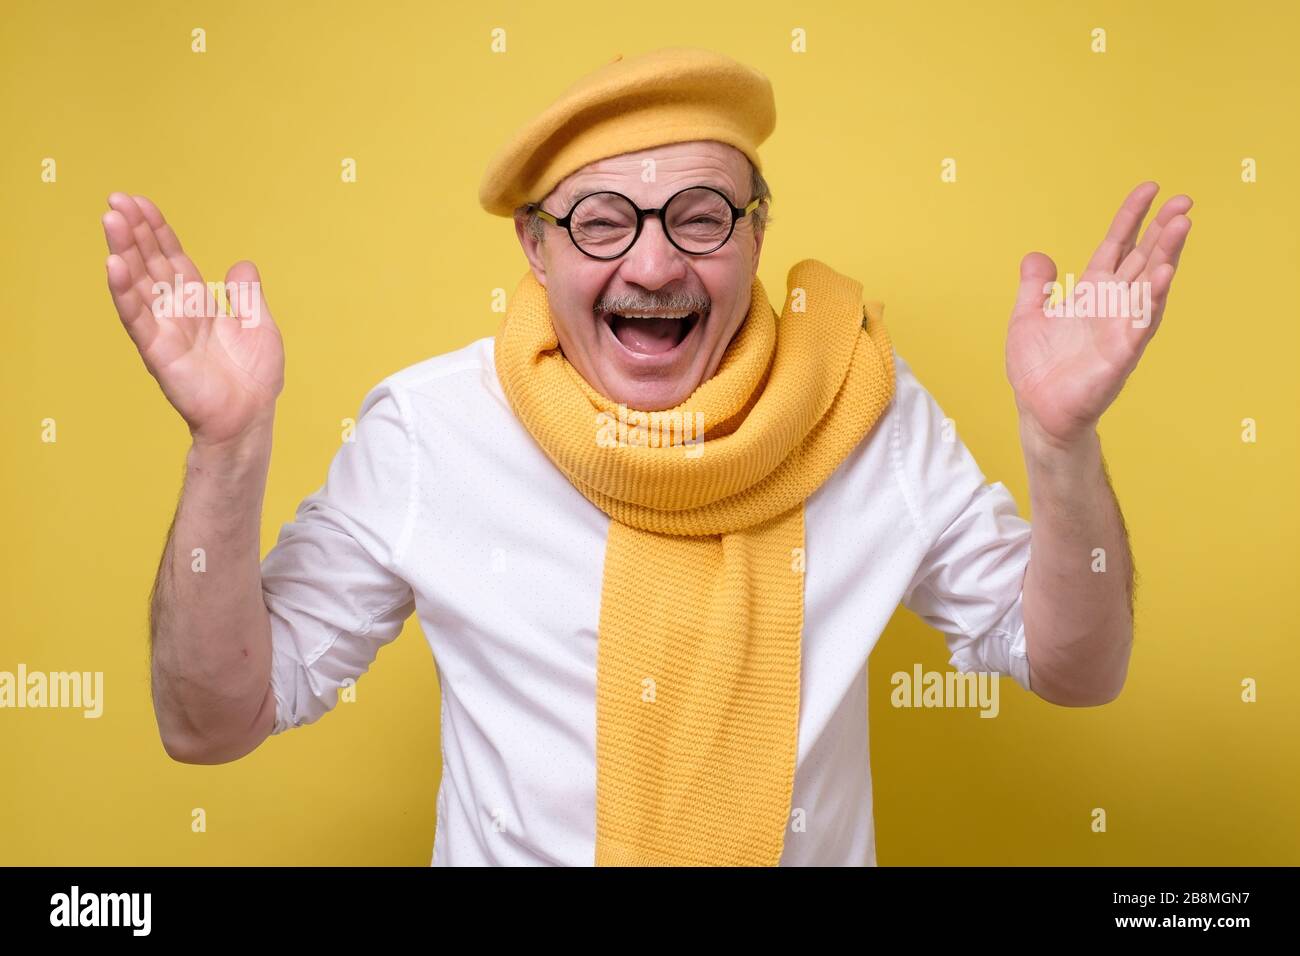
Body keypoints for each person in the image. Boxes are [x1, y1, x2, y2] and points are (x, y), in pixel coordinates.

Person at [101, 47, 1192, 866]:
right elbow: (212, 721)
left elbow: (1074, 667)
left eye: (702, 214)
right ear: (534, 246)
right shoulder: (431, 434)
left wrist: (1061, 443)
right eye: (602, 221)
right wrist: (226, 448)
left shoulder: (865, 410)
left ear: (758, 232)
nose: (656, 260)